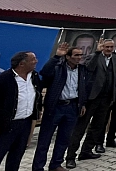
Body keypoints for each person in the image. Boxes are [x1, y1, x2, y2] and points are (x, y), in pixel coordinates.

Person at [0, 51, 40, 171]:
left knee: (15, 159)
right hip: (3, 126)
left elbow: (37, 96)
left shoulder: (34, 77)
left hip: (24, 125)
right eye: (33, 59)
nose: (36, 61)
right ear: (22, 64)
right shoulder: (0, 81)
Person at [65, 39, 116, 169]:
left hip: (106, 99)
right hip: (91, 98)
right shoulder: (94, 57)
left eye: (111, 47)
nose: (109, 49)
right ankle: (70, 156)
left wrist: (113, 96)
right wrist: (97, 53)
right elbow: (89, 68)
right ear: (102, 47)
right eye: (106, 47)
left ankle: (86, 151)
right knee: (80, 128)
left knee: (98, 126)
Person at [33, 43, 87, 171]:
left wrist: (82, 103)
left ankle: (56, 164)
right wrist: (56, 57)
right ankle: (38, 167)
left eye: (81, 55)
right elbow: (45, 73)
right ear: (68, 57)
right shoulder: (58, 67)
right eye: (76, 55)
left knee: (64, 139)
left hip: (73, 107)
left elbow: (84, 87)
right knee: (44, 140)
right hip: (56, 107)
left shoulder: (82, 69)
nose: (79, 58)